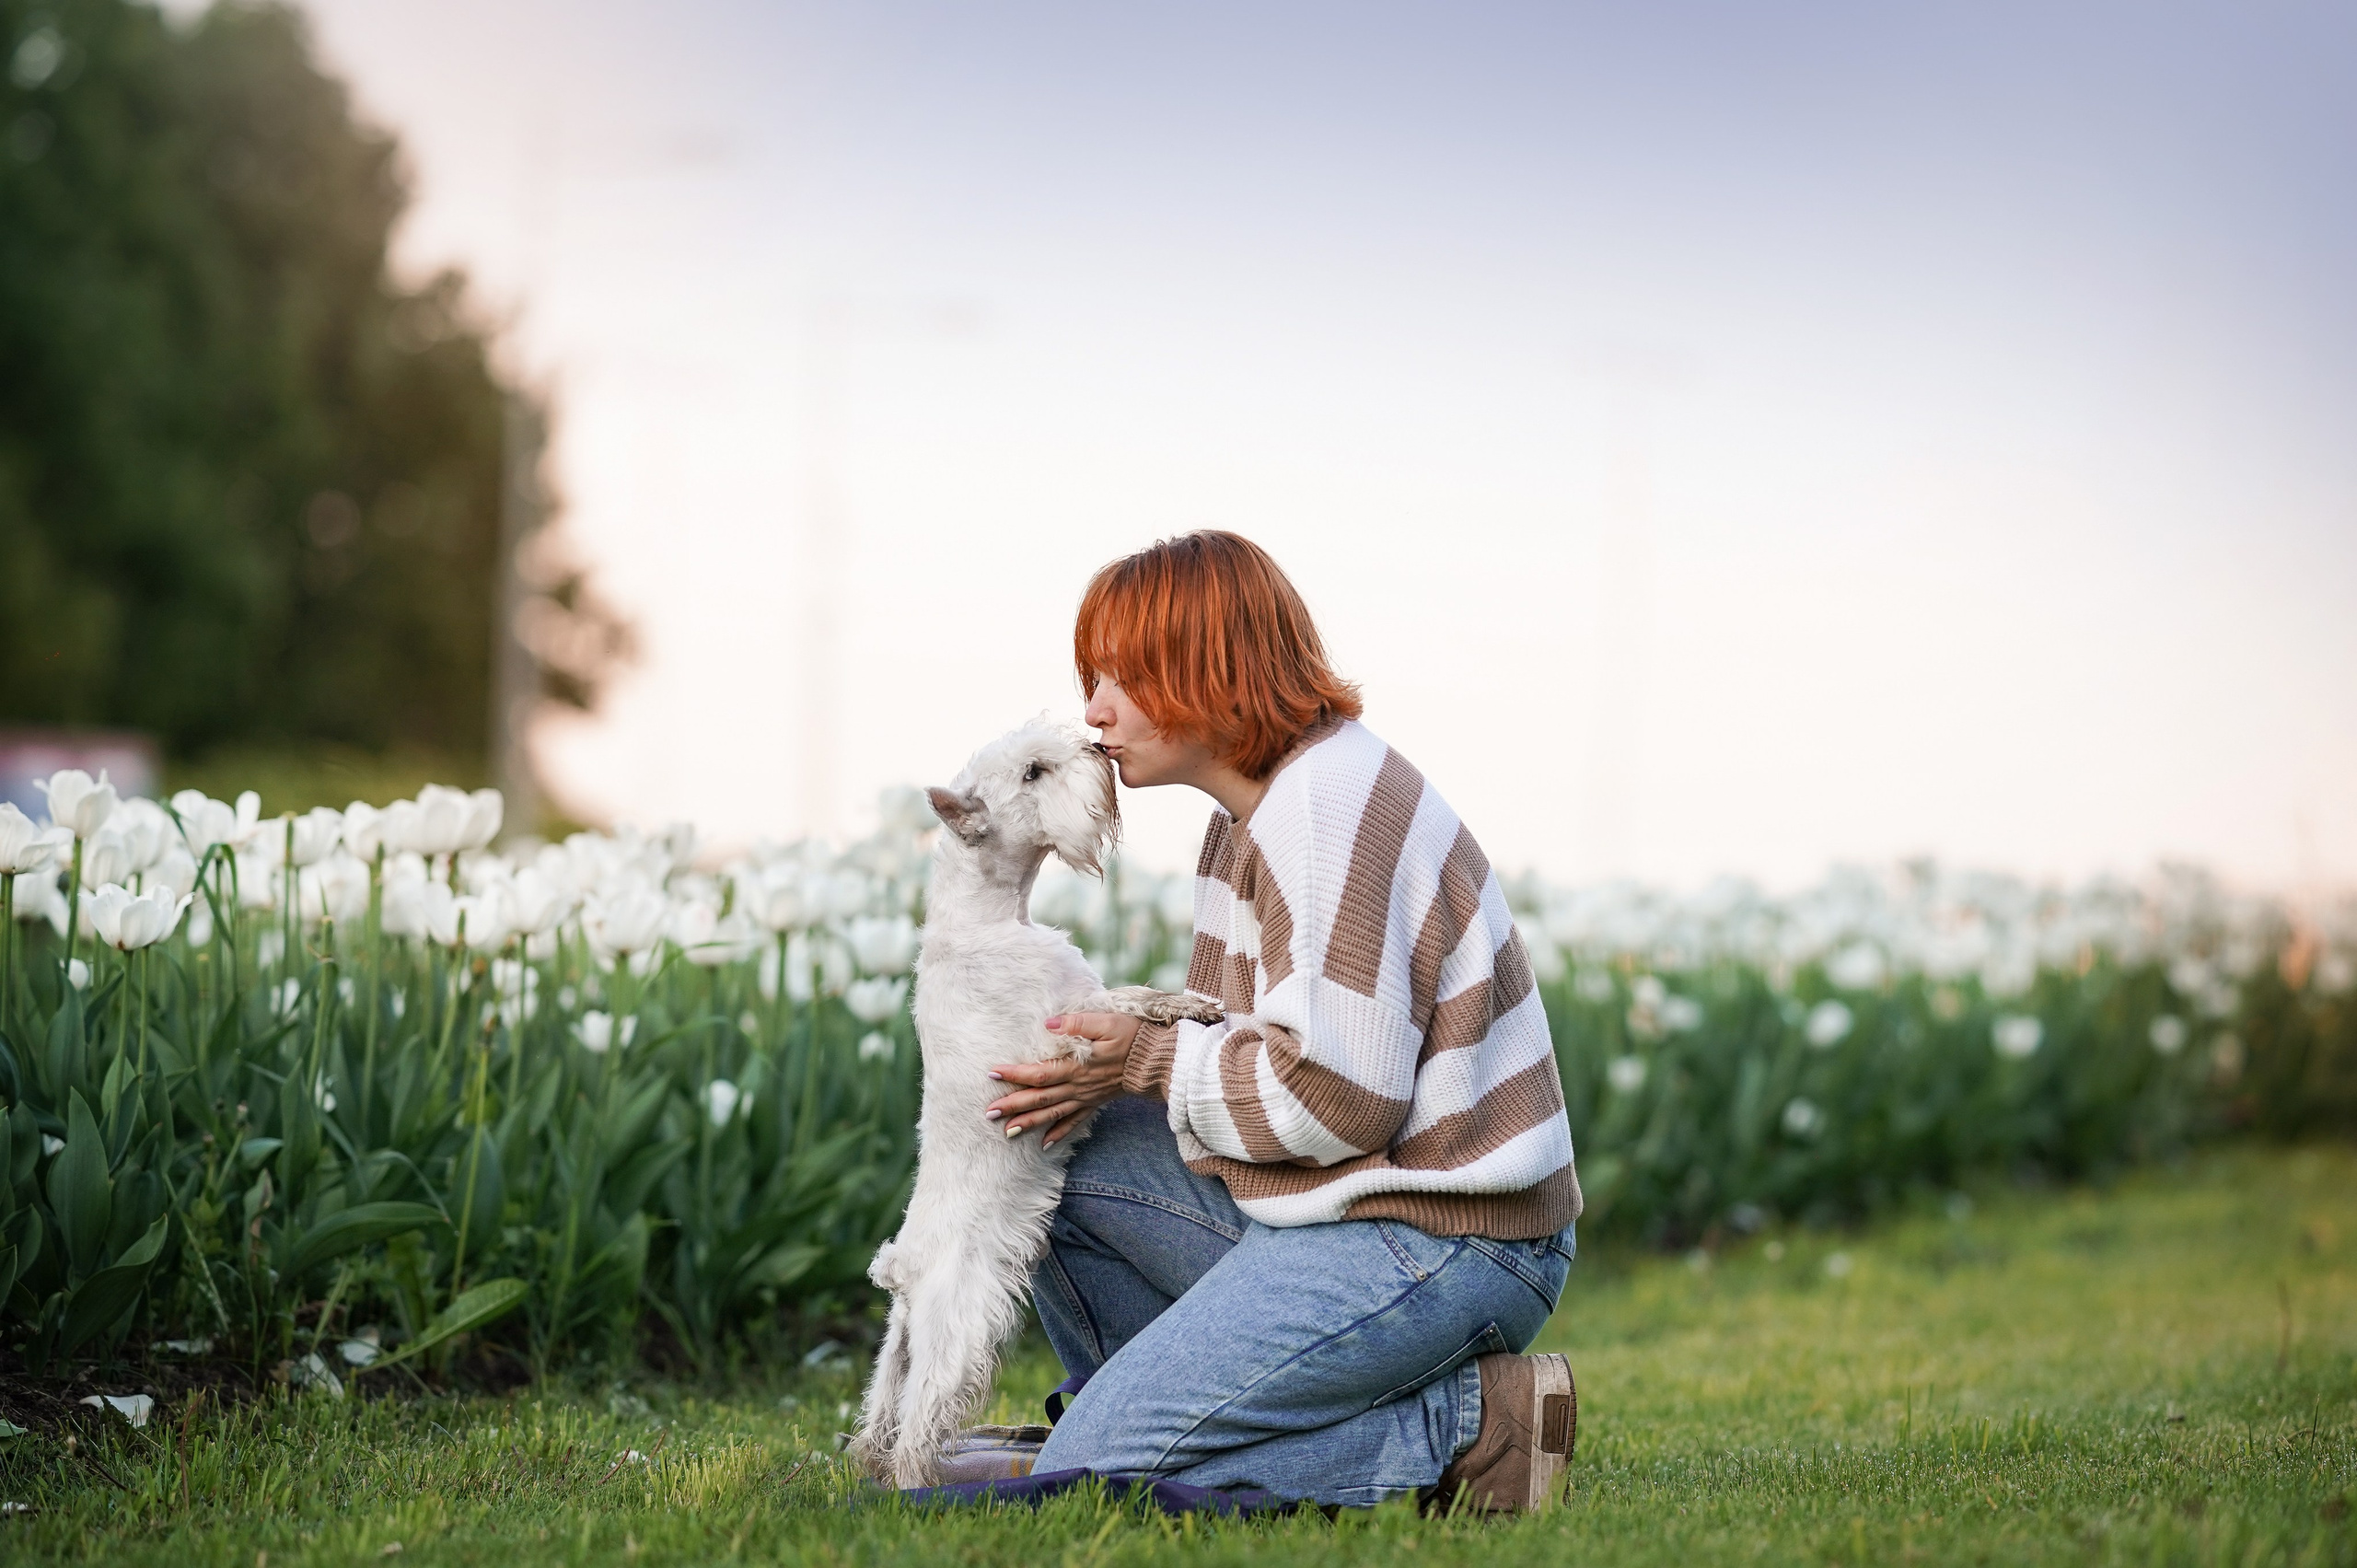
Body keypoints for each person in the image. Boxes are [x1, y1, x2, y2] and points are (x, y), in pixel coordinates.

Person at [981, 530, 1582, 1511]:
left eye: (1121, 675)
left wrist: (1154, 1058)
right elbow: (1253, 1044)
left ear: (1209, 668)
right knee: (1053, 1143)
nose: (1093, 711)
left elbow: (1343, 1097)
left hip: (1446, 1233)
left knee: (1090, 1478)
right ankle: (1159, 1411)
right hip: (1339, 1202)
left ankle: (1468, 1424)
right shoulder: (1254, 810)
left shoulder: (1326, 807)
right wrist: (1121, 1059)